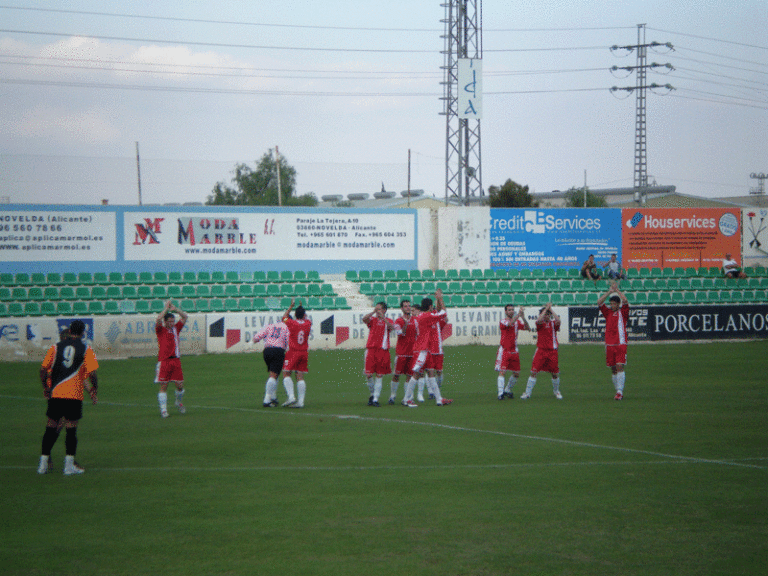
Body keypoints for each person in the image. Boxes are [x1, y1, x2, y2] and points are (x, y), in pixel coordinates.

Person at [37, 320, 98, 475]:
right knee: (71, 430)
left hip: (55, 394)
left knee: (50, 427)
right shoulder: (86, 349)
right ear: (84, 332)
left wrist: (45, 388)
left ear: (69, 330)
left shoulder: (55, 347)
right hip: (74, 395)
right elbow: (92, 374)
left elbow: (43, 370)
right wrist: (94, 390)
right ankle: (68, 466)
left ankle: (43, 464)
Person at [402, 290, 453, 406]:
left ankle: (439, 399)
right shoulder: (427, 316)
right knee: (415, 373)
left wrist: (438, 300)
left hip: (426, 349)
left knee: (431, 373)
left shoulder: (423, 316)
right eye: (432, 306)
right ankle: (406, 399)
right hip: (422, 349)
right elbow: (444, 313)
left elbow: (438, 312)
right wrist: (440, 299)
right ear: (430, 307)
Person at [520, 302, 563, 400]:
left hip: (552, 352)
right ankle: (527, 393)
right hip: (541, 351)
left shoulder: (553, 324)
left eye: (548, 314)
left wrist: (550, 309)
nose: (546, 316)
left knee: (554, 373)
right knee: (534, 372)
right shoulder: (540, 324)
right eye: (545, 314)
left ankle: (556, 391)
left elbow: (558, 320)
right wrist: (545, 310)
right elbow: (539, 319)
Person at [597, 281, 630, 400]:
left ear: (618, 304)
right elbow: (599, 302)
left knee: (620, 366)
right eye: (611, 303)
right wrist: (609, 292)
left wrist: (617, 291)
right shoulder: (608, 313)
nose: (612, 305)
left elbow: (625, 301)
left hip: (620, 343)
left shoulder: (623, 312)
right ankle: (617, 391)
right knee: (613, 368)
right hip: (609, 344)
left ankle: (620, 392)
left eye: (614, 303)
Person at [155, 300, 188, 418]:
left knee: (180, 385)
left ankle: (178, 402)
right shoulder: (160, 330)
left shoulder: (176, 328)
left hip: (176, 361)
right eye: (170, 321)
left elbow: (185, 317)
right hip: (164, 361)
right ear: (165, 321)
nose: (172, 323)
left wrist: (176, 309)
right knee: (164, 385)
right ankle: (163, 410)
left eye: (173, 321)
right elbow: (158, 319)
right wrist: (166, 308)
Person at [252, 314, 291, 407]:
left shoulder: (270, 325)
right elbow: (289, 341)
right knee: (273, 375)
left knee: (274, 373)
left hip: (267, 351)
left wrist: (251, 343)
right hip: (278, 350)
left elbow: (257, 337)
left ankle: (273, 397)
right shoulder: (287, 328)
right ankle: (267, 399)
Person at [362, 301, 396, 407]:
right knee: (368, 374)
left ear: (384, 310)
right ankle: (372, 394)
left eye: (379, 309)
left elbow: (392, 327)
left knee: (379, 375)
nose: (377, 311)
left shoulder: (388, 321)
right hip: (371, 349)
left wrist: (383, 318)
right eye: (376, 309)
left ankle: (376, 398)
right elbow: (364, 319)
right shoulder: (372, 319)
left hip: (382, 350)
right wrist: (373, 312)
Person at [495, 304, 530, 400]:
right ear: (505, 311)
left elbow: (527, 328)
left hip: (514, 350)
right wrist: (518, 315)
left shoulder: (517, 321)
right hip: (505, 350)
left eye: (512, 310)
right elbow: (510, 324)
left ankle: (507, 389)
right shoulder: (503, 321)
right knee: (502, 371)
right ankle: (500, 393)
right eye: (509, 310)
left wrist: (523, 317)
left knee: (516, 373)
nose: (511, 311)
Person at [282, 298, 312, 408]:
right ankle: (301, 402)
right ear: (304, 315)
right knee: (300, 376)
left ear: (295, 315)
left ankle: (291, 397)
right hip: (304, 352)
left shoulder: (292, 323)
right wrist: (301, 307)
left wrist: (291, 307)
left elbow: (284, 318)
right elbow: (306, 317)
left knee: (286, 373)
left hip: (293, 351)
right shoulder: (308, 324)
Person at [389, 299, 416, 406]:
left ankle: (407, 397)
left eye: (409, 306)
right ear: (401, 308)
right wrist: (405, 324)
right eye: (405, 306)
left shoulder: (415, 320)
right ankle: (392, 395)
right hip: (401, 353)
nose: (408, 308)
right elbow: (400, 334)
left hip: (412, 352)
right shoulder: (398, 321)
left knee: (409, 376)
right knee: (396, 375)